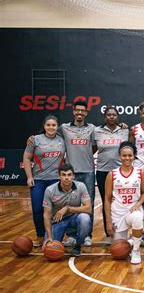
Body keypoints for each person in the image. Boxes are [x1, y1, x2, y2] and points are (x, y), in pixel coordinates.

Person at [57, 101, 96, 247]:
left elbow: (95, 146)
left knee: (88, 203)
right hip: (70, 173)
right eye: (77, 110)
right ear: (73, 111)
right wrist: (34, 138)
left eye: (83, 111)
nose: (80, 113)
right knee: (70, 203)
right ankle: (72, 235)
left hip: (88, 171)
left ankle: (87, 235)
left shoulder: (91, 128)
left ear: (86, 113)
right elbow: (51, 133)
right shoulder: (64, 128)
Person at [23, 115, 66, 247]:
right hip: (39, 180)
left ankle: (54, 236)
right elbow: (26, 158)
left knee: (55, 210)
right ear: (44, 126)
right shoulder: (35, 139)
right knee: (37, 209)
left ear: (57, 126)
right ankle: (41, 236)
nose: (51, 127)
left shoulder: (62, 140)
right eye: (48, 125)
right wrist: (29, 177)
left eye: (53, 125)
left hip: (55, 180)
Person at [104, 142, 144, 264]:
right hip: (117, 212)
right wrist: (108, 222)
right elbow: (107, 199)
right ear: (119, 157)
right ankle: (133, 241)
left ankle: (136, 250)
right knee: (119, 250)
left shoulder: (140, 173)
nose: (127, 158)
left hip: (132, 209)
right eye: (124, 155)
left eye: (130, 155)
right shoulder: (112, 174)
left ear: (134, 156)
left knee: (137, 217)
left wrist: (138, 205)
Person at [94, 106, 129, 244]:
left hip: (120, 172)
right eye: (109, 114)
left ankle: (123, 232)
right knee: (106, 202)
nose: (111, 116)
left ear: (117, 116)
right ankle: (109, 234)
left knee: (120, 202)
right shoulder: (97, 131)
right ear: (105, 116)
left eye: (114, 114)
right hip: (103, 171)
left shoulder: (124, 130)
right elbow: (93, 148)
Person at [43, 164, 91, 256]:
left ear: (73, 176)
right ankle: (52, 238)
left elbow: (88, 209)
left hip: (74, 218)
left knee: (85, 218)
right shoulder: (50, 190)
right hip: (57, 220)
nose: (66, 178)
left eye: (69, 175)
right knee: (49, 249)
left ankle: (78, 245)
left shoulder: (81, 186)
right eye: (63, 175)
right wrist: (49, 236)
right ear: (59, 176)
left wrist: (67, 208)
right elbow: (46, 214)